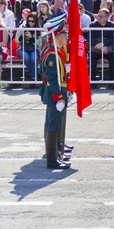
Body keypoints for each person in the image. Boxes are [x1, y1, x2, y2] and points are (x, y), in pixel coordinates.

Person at [39, 20, 70, 169]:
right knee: (53, 124)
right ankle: (52, 160)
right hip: (54, 94)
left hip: (57, 91)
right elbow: (52, 79)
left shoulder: (56, 50)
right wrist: (58, 98)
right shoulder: (52, 54)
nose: (66, 36)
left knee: (56, 123)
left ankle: (56, 153)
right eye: (64, 33)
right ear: (57, 36)